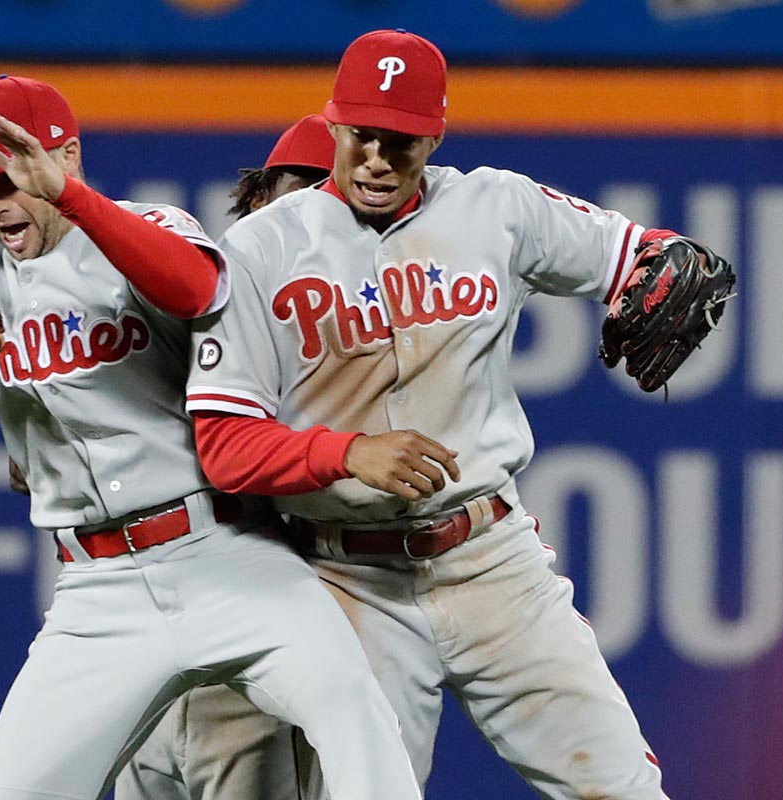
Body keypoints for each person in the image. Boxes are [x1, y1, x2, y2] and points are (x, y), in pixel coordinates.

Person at [0, 74, 422, 800]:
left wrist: (68, 198)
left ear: (66, 155)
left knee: (352, 707)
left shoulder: (148, 227)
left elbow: (197, 289)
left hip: (226, 556)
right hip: (99, 592)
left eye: (11, 175)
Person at [184, 30, 694, 799]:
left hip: (492, 563)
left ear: (435, 137)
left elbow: (639, 254)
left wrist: (671, 260)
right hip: (348, 579)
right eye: (360, 136)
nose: (376, 159)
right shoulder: (260, 250)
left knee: (621, 788)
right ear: (333, 123)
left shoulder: (496, 206)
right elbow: (223, 446)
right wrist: (346, 453)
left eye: (400, 140)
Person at [114, 112, 334, 800]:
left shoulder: (354, 347)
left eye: (333, 200)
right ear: (259, 198)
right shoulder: (180, 306)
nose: (314, 215)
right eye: (299, 193)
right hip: (139, 655)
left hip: (249, 669)